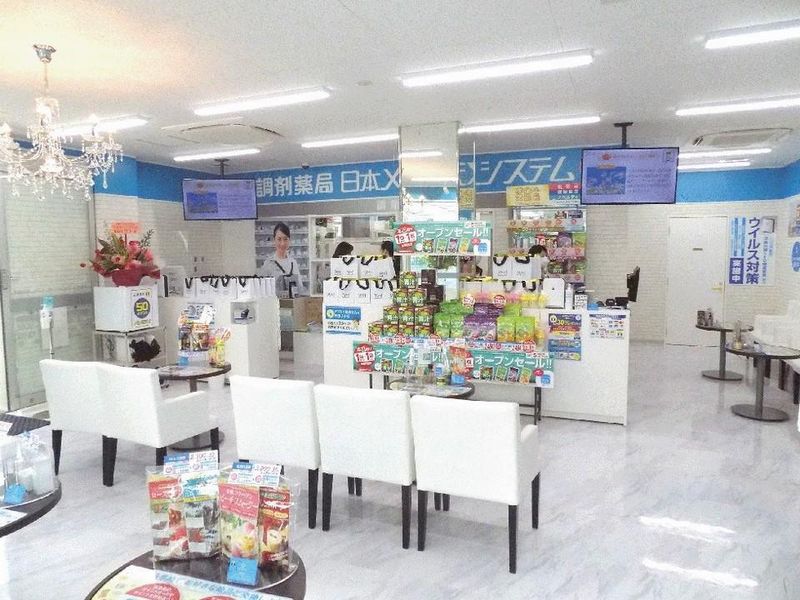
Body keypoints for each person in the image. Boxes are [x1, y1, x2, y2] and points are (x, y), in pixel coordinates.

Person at [259, 222, 306, 297]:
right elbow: (261, 291)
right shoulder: (268, 263)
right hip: (274, 303)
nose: (282, 243)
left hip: (292, 303)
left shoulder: (293, 263)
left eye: (285, 239)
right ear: (274, 240)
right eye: (279, 239)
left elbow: (300, 288)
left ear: (289, 240)